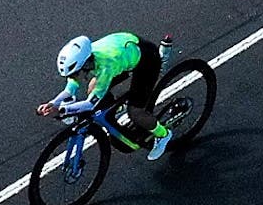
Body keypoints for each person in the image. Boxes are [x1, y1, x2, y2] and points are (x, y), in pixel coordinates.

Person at [40, 33, 174, 161]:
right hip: (126, 50)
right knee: (93, 87)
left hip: (146, 60)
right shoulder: (88, 58)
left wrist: (63, 110)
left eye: (76, 72)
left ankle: (163, 135)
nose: (74, 77)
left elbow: (90, 104)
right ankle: (114, 106)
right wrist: (54, 102)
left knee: (135, 112)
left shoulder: (105, 68)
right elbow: (73, 82)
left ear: (85, 64)